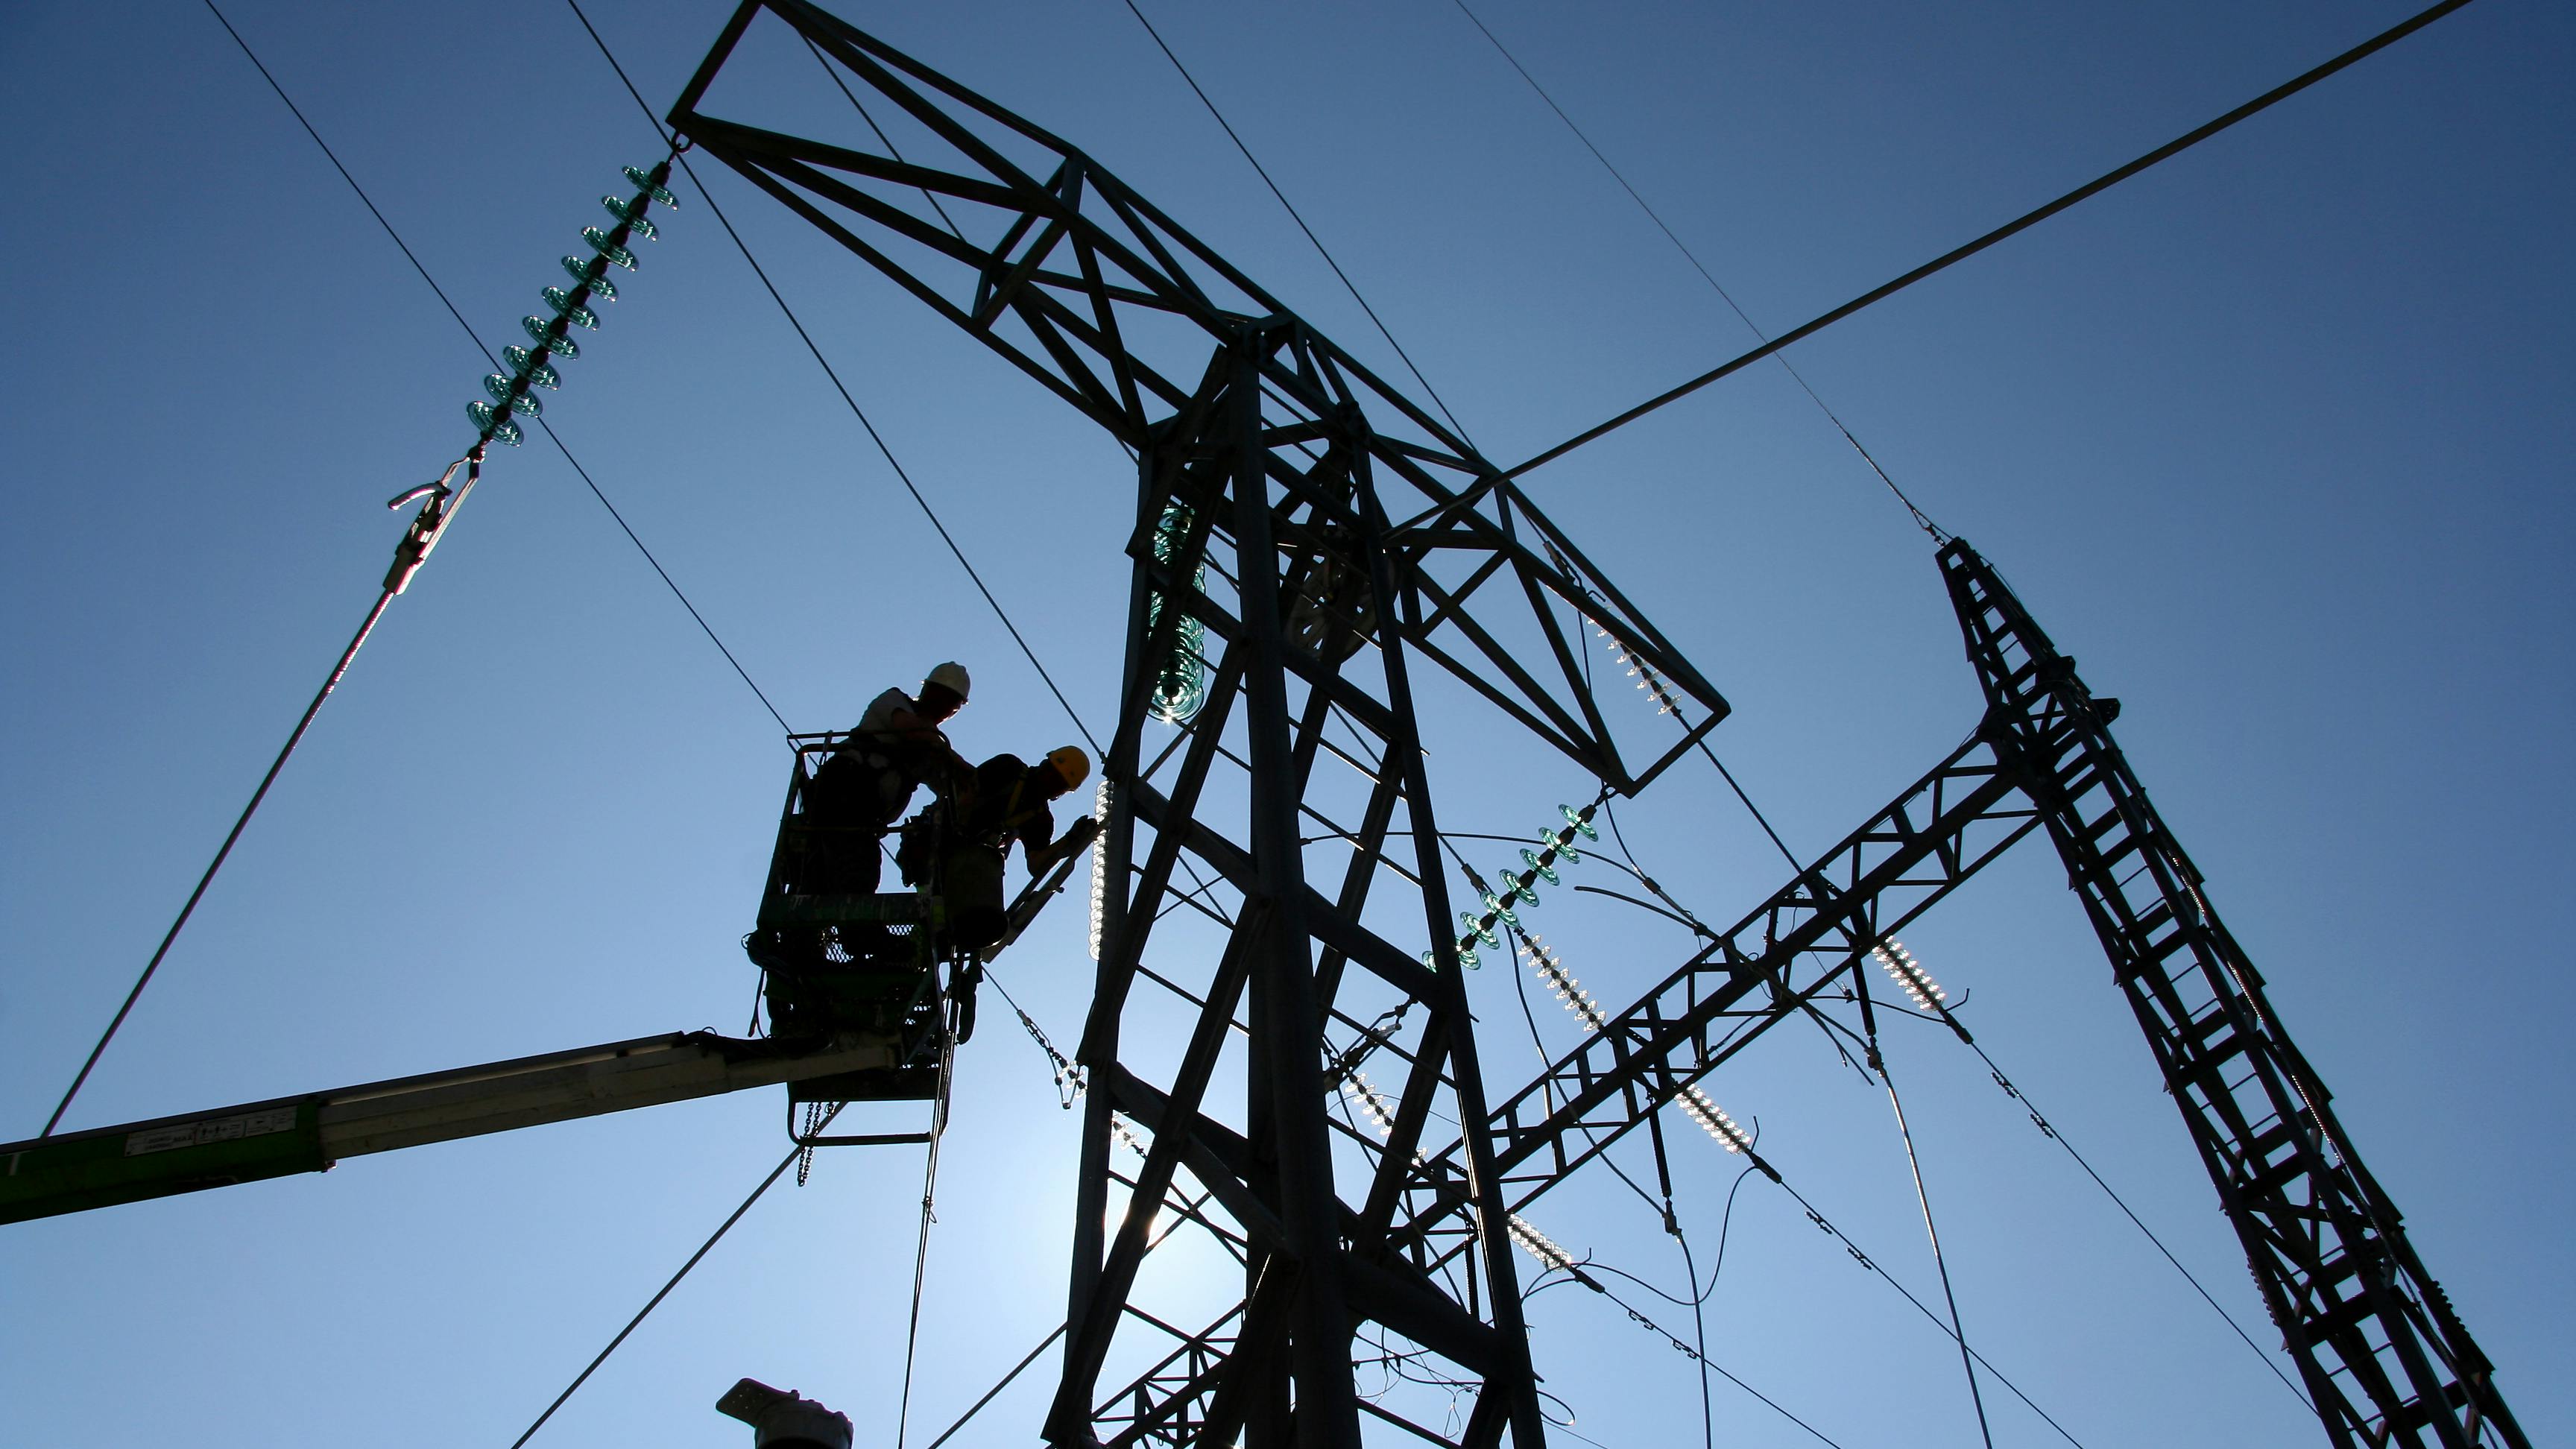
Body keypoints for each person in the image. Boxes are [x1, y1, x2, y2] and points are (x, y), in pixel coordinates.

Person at [800, 662, 974, 897]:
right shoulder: (893, 702)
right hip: (843, 791)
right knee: (856, 874)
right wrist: (960, 764)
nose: (945, 710)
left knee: (829, 879)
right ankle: (864, 931)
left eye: (952, 705)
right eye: (944, 700)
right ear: (927, 692)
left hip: (865, 817)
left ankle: (821, 929)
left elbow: (952, 788)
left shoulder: (930, 750)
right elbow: (911, 729)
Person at [935, 745, 1094, 953]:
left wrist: (1069, 840)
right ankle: (936, 935)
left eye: (1060, 784)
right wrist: (959, 827)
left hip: (972, 868)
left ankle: (948, 938)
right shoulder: (1008, 768)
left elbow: (1036, 865)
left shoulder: (1041, 820)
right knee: (934, 907)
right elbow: (966, 790)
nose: (1053, 786)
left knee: (956, 919)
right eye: (1053, 778)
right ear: (1045, 766)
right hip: (939, 840)